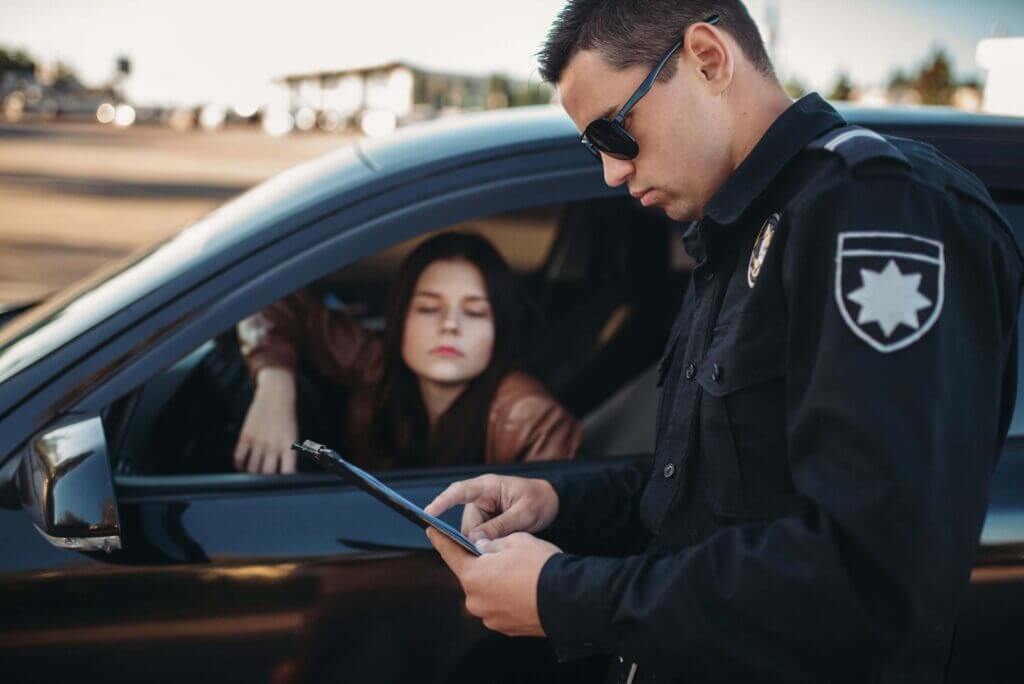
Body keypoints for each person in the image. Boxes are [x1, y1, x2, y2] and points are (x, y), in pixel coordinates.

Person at [424, 1, 1024, 682]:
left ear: (708, 58)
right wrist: (559, 503)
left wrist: (564, 597)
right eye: (592, 149)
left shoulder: (875, 211)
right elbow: (705, 494)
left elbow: (869, 578)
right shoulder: (735, 232)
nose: (611, 173)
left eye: (615, 134)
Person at [233, 231, 582, 474]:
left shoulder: (532, 420)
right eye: (429, 309)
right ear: (400, 319)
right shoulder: (377, 363)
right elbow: (263, 297)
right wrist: (275, 382)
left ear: (498, 330)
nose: (450, 325)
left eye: (475, 312)